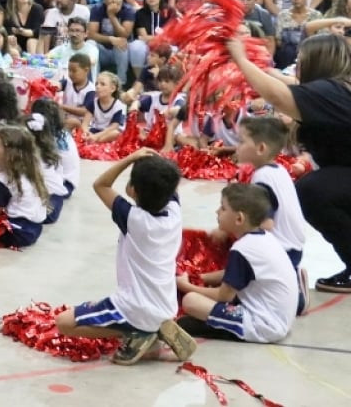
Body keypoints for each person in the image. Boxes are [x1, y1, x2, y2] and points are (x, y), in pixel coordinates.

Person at [228, 32, 351, 293]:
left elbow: (279, 96)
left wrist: (240, 58)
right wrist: (256, 64)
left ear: (318, 61)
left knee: (313, 191)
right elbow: (286, 82)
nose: (297, 63)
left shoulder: (330, 92)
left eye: (301, 59)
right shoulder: (337, 89)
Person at [55, 148, 194, 364]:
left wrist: (130, 158)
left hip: (134, 308)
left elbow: (100, 185)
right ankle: (156, 326)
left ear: (132, 191)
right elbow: (170, 185)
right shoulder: (174, 212)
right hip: (166, 305)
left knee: (64, 322)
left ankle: (139, 333)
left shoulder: (134, 219)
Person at [176, 183, 298, 343]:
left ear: (239, 219)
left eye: (223, 208)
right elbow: (233, 274)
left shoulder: (242, 249)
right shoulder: (264, 238)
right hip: (279, 320)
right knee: (198, 304)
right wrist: (201, 277)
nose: (217, 211)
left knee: (190, 301)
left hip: (263, 326)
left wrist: (187, 287)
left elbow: (223, 296)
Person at [234, 116, 310, 313]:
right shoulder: (278, 170)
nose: (237, 146)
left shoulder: (263, 178)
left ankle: (297, 295)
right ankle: (293, 278)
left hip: (283, 250)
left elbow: (265, 223)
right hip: (293, 246)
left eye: (242, 141)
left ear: (261, 148)